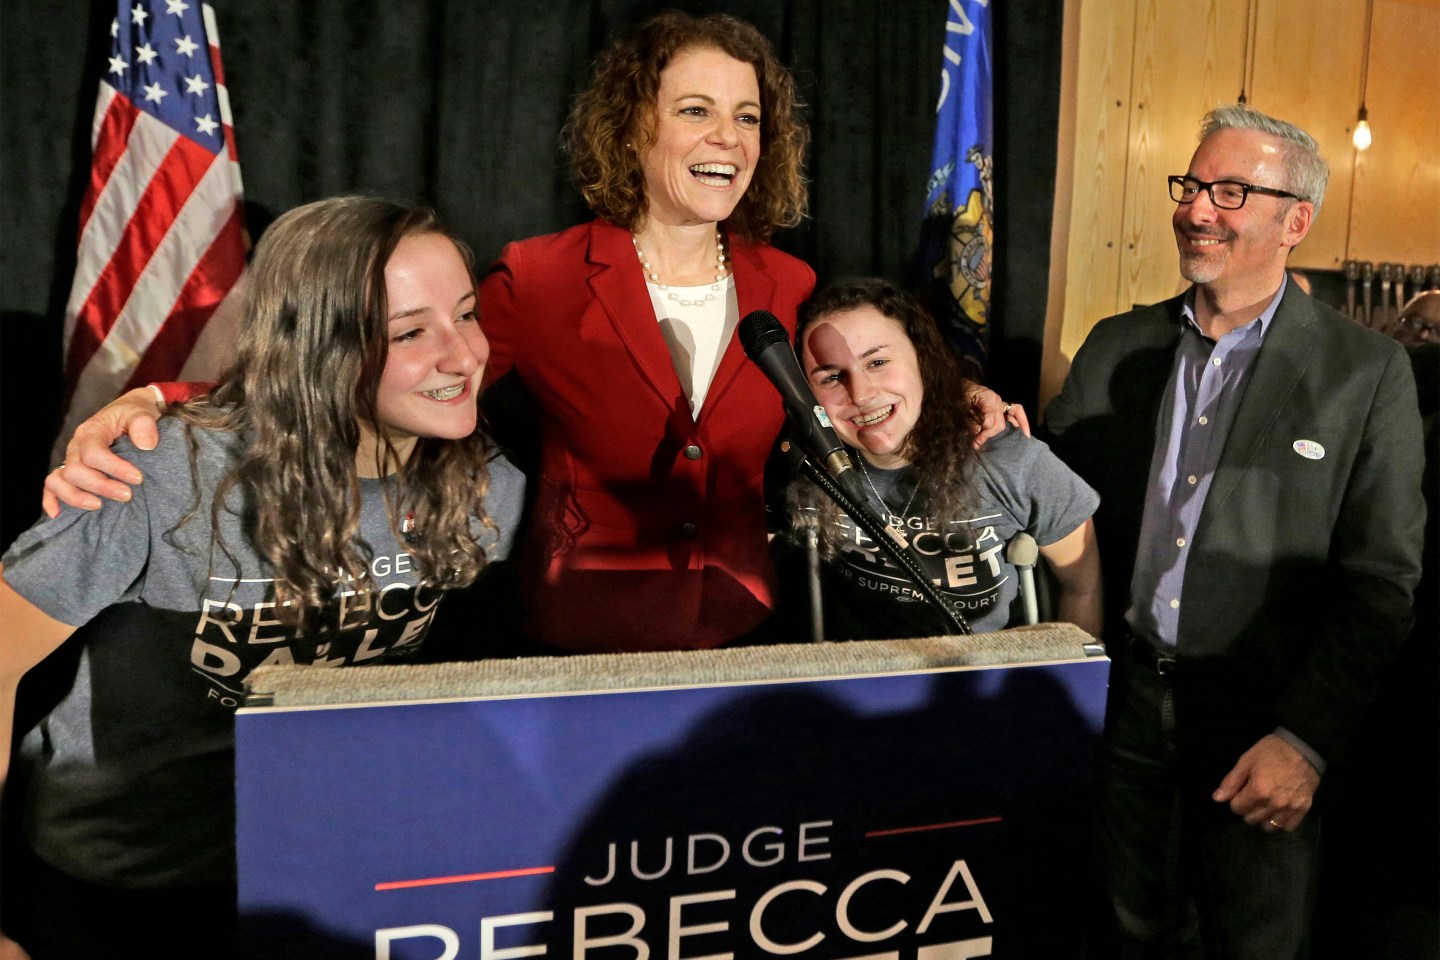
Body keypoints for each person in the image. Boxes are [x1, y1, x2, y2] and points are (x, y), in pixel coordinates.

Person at [43, 11, 1024, 655]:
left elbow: (855, 374)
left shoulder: (788, 278)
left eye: (748, 118)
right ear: (635, 128)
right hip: (583, 631)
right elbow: (376, 367)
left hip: (744, 624)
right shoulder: (546, 276)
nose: (729, 138)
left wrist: (956, 395)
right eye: (696, 111)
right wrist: (159, 400)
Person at [0, 196, 525, 957]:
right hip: (123, 884)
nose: (462, 354)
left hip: (314, 874)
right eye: (410, 332)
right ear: (322, 350)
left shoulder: (488, 490)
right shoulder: (165, 476)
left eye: (467, 314)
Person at [1041, 105, 1425, 957]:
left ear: (1297, 221)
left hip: (1263, 726)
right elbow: (1050, 501)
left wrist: (1307, 740)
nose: (1196, 209)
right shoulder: (1115, 346)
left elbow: (1382, 582)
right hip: (1120, 706)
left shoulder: (1366, 374)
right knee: (1118, 931)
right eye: (1191, 185)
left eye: (1229, 190)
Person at [781, 279, 1101, 640]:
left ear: (921, 358)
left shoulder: (1005, 459)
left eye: (879, 362)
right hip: (861, 681)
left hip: (982, 679)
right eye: (833, 377)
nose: (862, 393)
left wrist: (1071, 689)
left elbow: (1082, 585)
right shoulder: (805, 468)